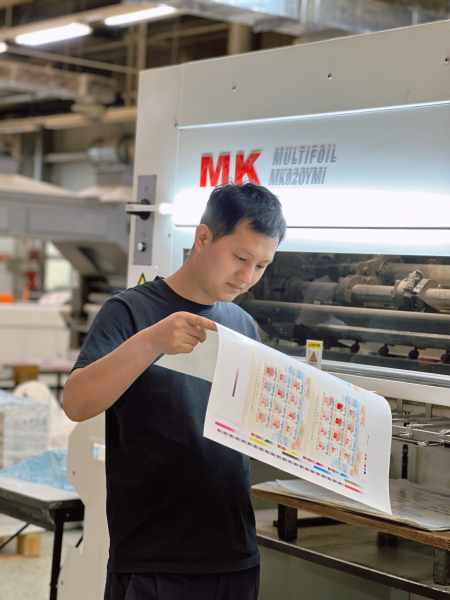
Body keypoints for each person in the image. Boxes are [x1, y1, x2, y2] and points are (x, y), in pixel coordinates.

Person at [63, 182, 286, 600]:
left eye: (261, 265)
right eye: (240, 258)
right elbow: (76, 402)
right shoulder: (130, 311)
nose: (247, 277)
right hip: (156, 560)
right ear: (202, 238)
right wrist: (150, 342)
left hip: (234, 555)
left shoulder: (242, 326)